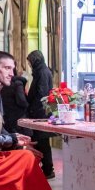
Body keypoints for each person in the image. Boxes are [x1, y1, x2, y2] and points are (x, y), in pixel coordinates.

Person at [26, 50, 55, 178]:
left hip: (40, 113)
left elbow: (42, 93)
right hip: (39, 111)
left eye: (30, 61)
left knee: (42, 141)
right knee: (40, 141)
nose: (29, 64)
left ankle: (48, 169)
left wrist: (33, 108)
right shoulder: (40, 71)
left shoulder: (42, 72)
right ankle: (45, 168)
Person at [1, 68, 29, 135]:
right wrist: (28, 106)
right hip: (17, 115)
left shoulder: (3, 82)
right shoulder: (18, 83)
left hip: (5, 115)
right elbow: (21, 101)